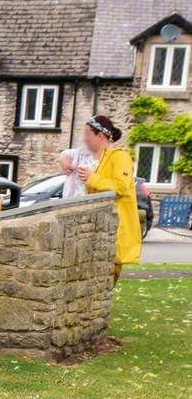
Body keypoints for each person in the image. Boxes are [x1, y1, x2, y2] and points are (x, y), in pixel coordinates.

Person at [77, 114, 141, 283]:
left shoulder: (120, 157)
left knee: (104, 280)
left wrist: (92, 179)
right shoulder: (97, 161)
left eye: (87, 134)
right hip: (97, 228)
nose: (84, 140)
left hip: (114, 230)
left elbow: (121, 187)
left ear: (99, 135)